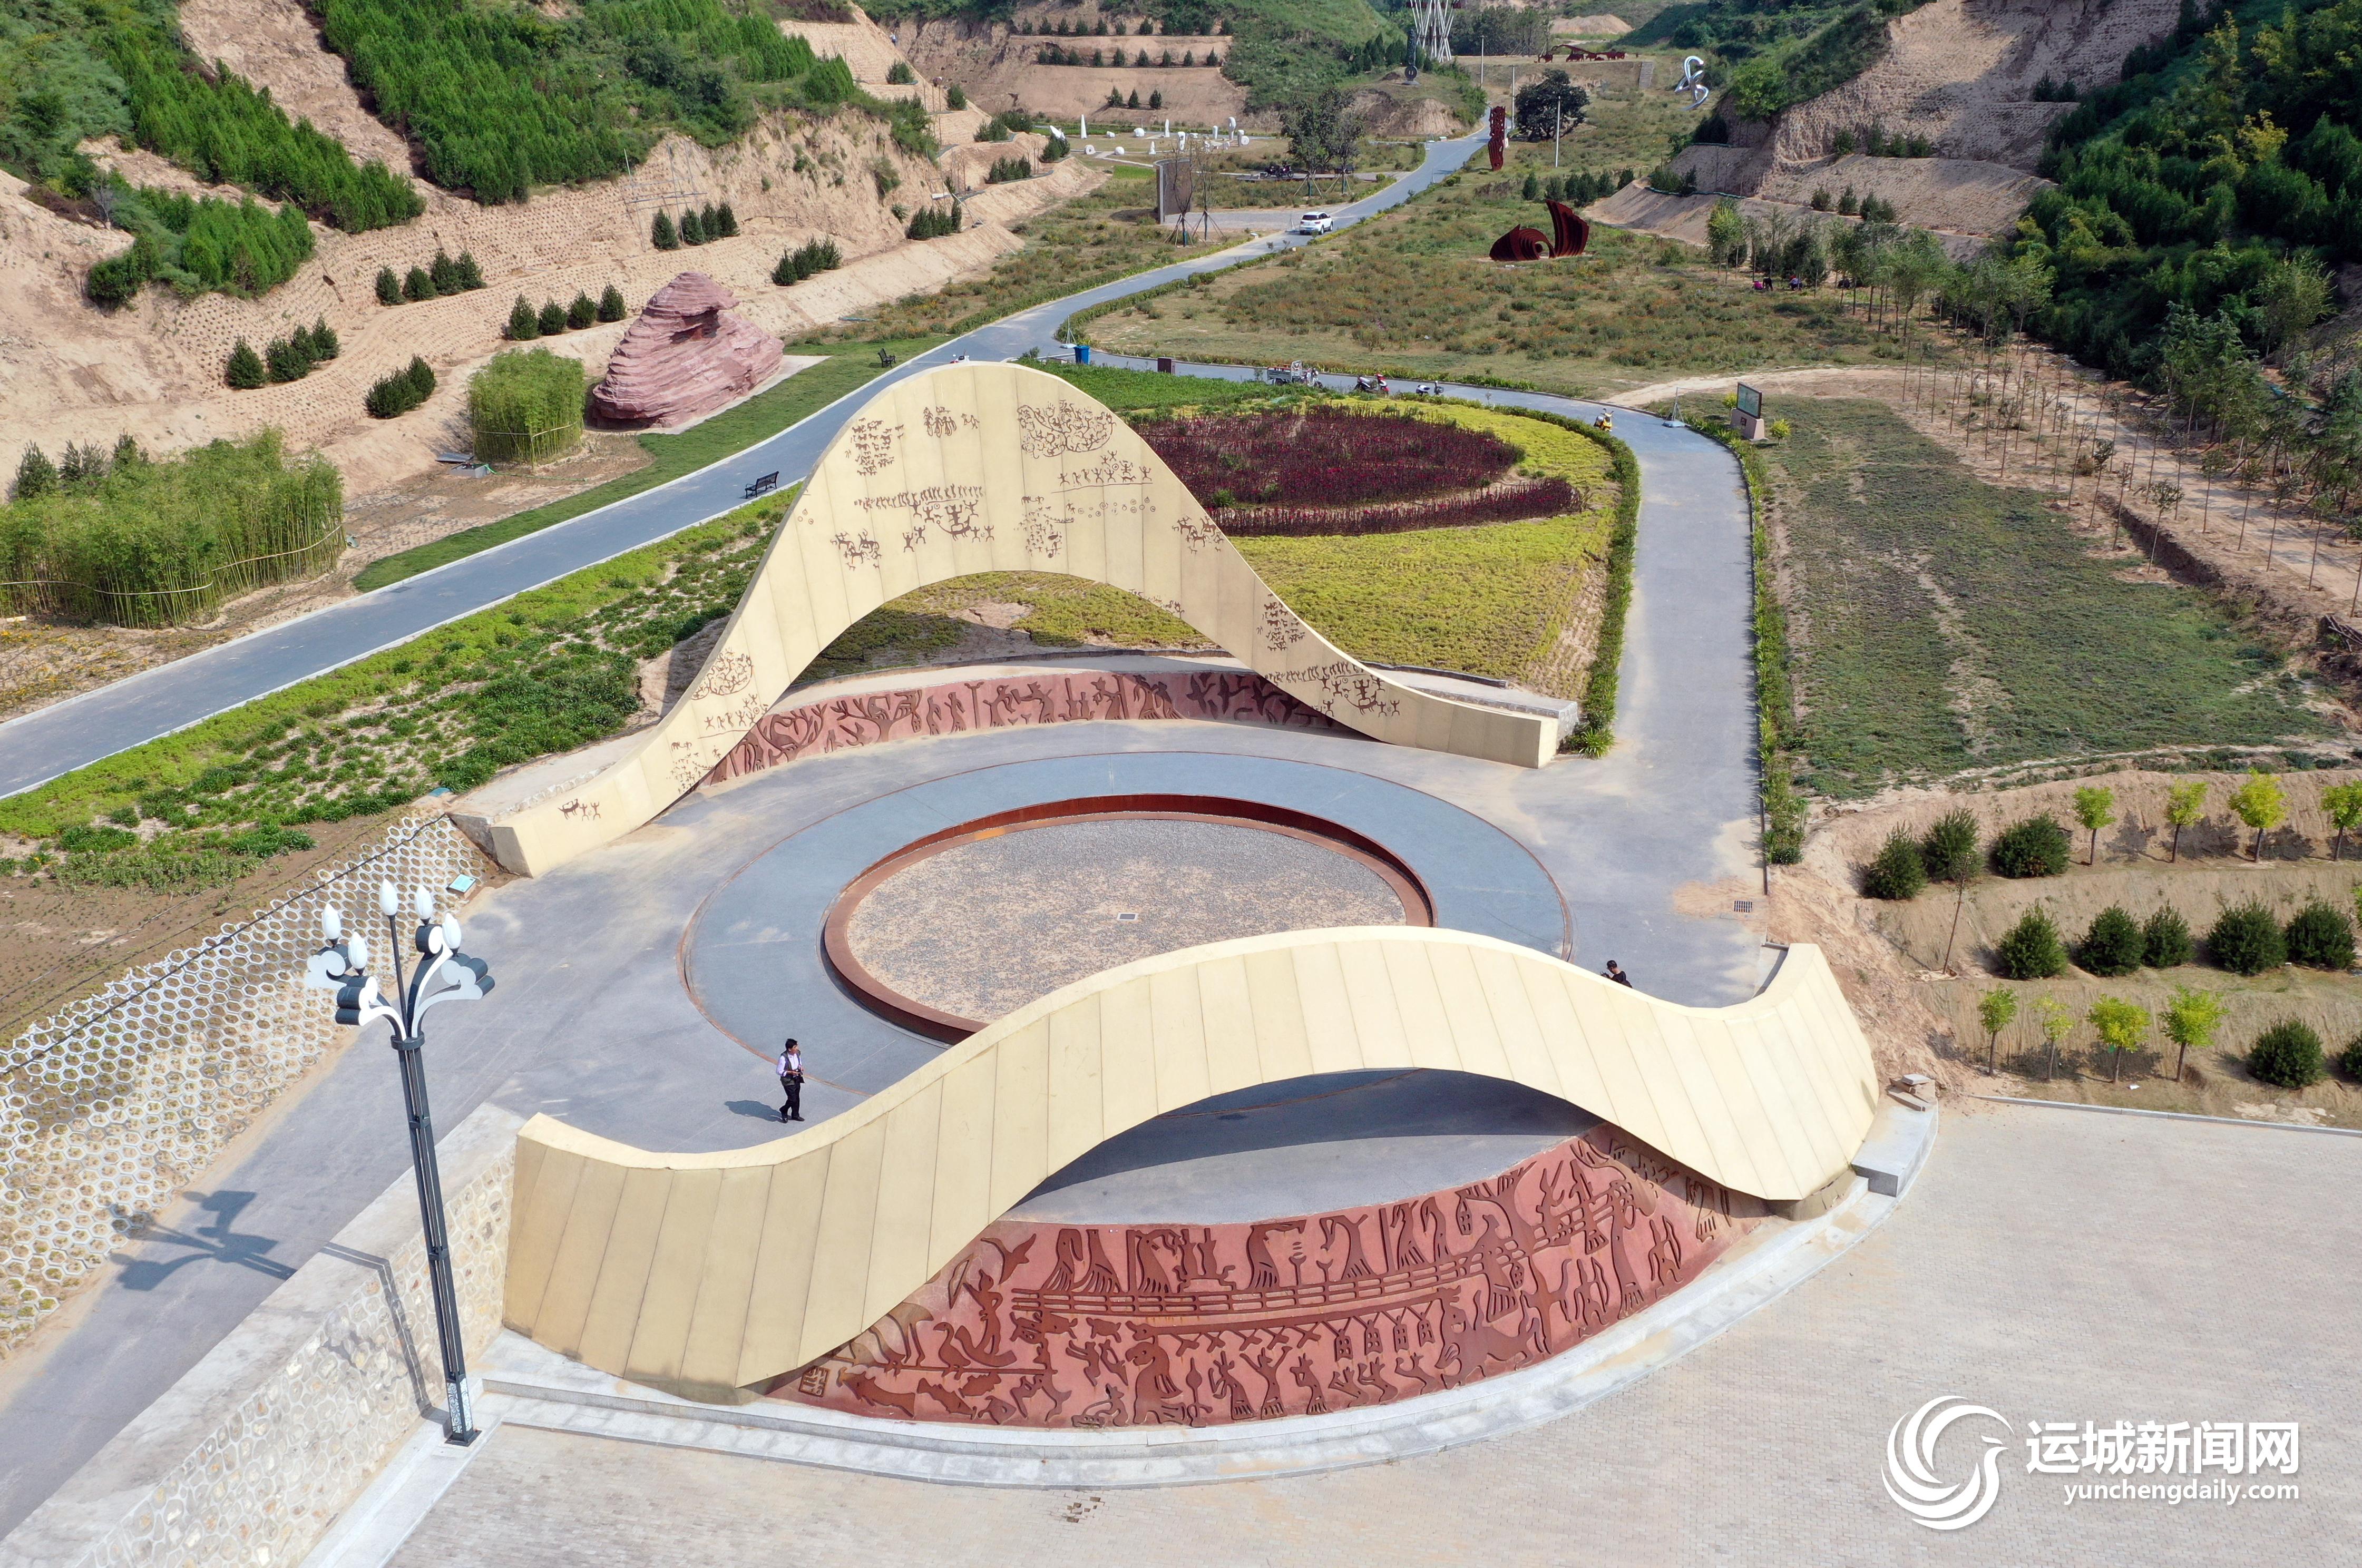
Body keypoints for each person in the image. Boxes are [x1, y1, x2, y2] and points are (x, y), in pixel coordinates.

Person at [776, 1039, 805, 1122]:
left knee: (797, 1097)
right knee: (792, 1099)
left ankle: (795, 1115)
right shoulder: (783, 1058)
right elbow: (779, 1071)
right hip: (788, 1081)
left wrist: (800, 1067)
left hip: (797, 1078)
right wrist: (790, 1072)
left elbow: (799, 1062)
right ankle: (784, 1110)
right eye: (795, 1047)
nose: (797, 1049)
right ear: (790, 1049)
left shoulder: (797, 1053)